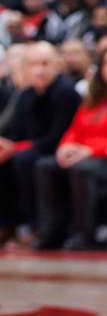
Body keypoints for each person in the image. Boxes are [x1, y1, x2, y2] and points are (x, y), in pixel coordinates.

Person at [33, 46, 107, 250]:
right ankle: (51, 232)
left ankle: (84, 235)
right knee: (46, 166)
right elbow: (75, 128)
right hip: (87, 155)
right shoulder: (96, 95)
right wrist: (66, 147)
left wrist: (90, 151)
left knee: (83, 169)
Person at [0, 42, 79, 246]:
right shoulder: (26, 95)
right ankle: (8, 226)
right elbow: (17, 134)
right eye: (34, 64)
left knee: (24, 161)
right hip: (32, 150)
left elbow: (57, 137)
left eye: (45, 63)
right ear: (26, 68)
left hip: (58, 150)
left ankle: (36, 227)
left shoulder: (66, 93)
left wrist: (15, 148)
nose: (40, 70)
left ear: (57, 65)